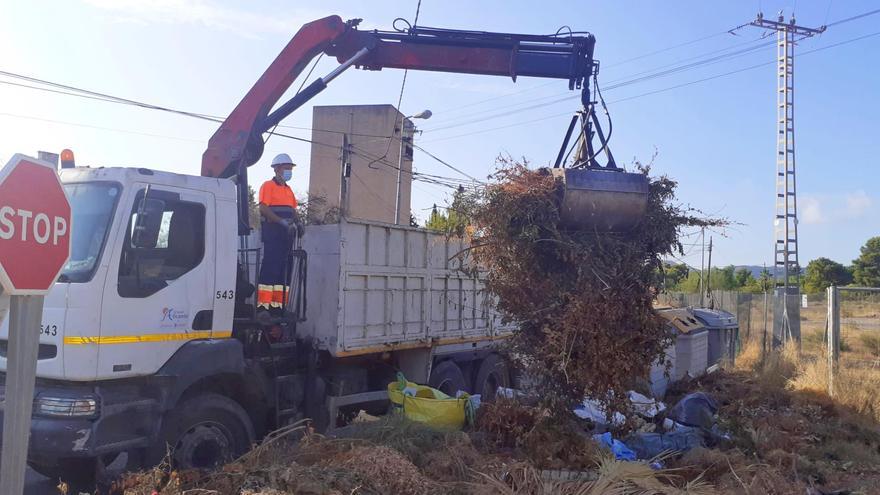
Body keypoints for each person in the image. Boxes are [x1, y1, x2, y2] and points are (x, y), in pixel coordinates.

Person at [257, 153, 305, 313]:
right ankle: (263, 307)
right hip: (273, 234)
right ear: (277, 169)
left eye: (290, 169)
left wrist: (298, 222)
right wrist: (282, 222)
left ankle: (277, 307)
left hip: (287, 237)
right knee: (271, 269)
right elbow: (263, 208)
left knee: (284, 271)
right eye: (287, 168)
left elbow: (293, 210)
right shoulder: (268, 186)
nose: (289, 171)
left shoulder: (288, 190)